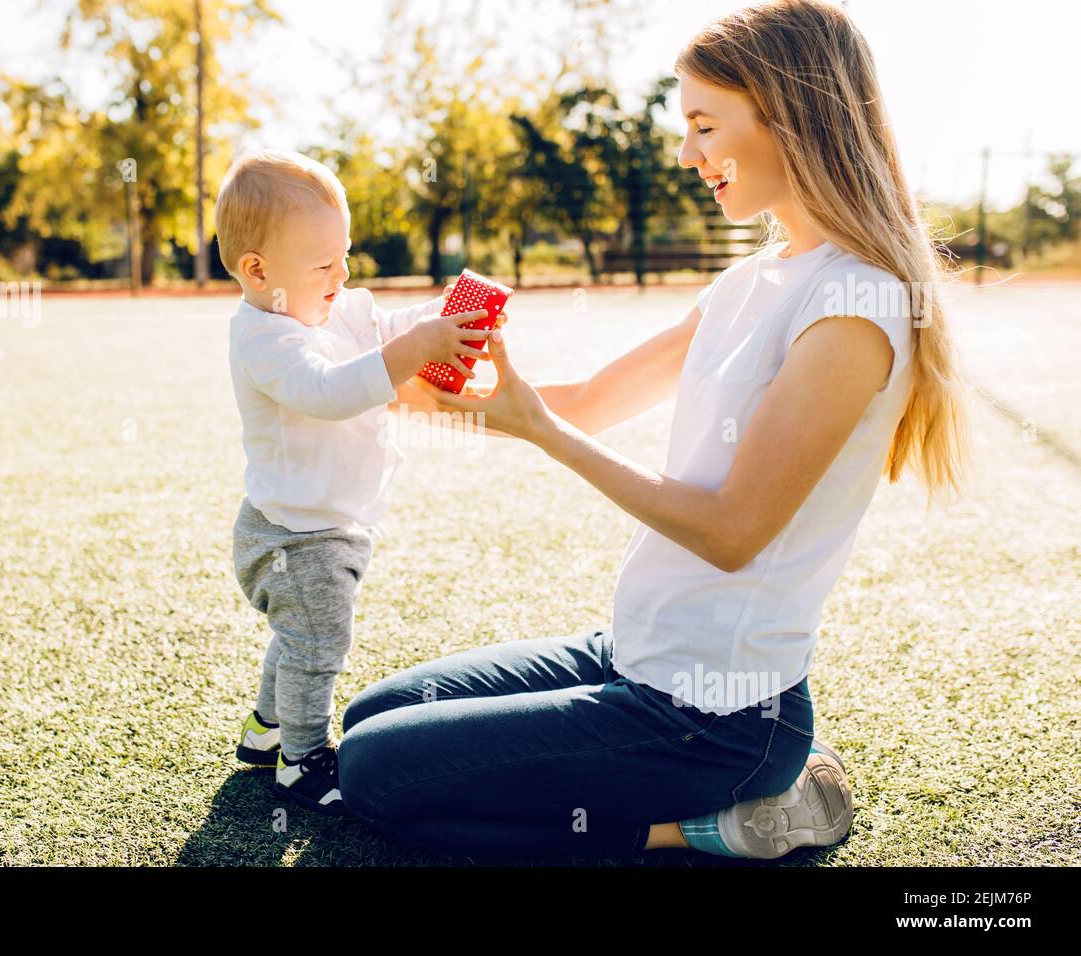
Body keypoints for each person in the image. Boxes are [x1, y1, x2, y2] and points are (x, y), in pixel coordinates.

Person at [337, 0, 972, 861]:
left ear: (790, 113)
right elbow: (592, 396)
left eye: (704, 125)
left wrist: (540, 434)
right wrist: (383, 385)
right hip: (637, 653)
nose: (686, 154)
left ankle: (714, 825)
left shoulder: (854, 304)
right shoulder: (752, 281)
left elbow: (732, 531)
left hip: (717, 717)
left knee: (374, 776)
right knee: (372, 718)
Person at [215, 148, 493, 814]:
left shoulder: (329, 304)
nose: (341, 273)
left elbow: (388, 329)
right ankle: (302, 758)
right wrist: (413, 351)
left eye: (344, 255)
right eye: (323, 264)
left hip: (318, 525)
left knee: (298, 636)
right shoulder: (265, 337)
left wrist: (446, 316)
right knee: (319, 644)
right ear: (258, 271)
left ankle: (265, 730)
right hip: (295, 538)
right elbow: (330, 390)